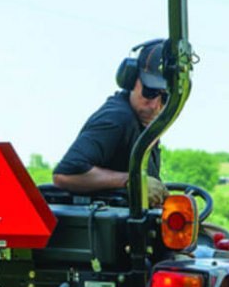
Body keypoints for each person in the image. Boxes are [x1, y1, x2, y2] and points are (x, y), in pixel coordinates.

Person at [52, 39, 170, 205]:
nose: (155, 106)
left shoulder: (144, 125)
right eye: (149, 92)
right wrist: (130, 180)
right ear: (131, 80)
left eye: (166, 98)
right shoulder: (117, 119)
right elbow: (65, 175)